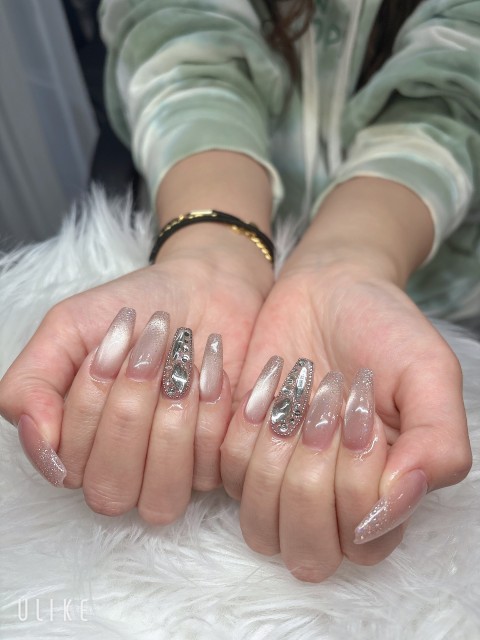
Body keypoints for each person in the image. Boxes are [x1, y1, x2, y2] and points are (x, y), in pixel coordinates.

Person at [0, 0, 478, 583]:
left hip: (427, 267)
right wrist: (213, 253)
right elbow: (182, 38)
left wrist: (352, 262)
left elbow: (457, 95)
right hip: (196, 189)